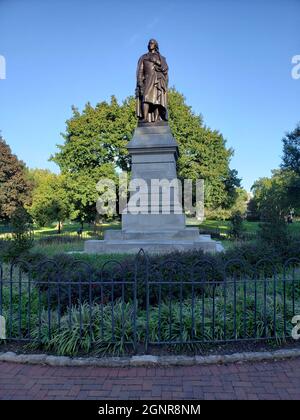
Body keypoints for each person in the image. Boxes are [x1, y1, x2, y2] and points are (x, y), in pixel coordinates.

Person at [136, 39, 168, 123]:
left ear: (155, 45)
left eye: (152, 43)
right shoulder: (143, 57)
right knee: (145, 97)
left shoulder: (161, 58)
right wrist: (139, 82)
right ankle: (145, 118)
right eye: (149, 43)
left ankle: (157, 119)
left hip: (158, 78)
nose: (150, 44)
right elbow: (140, 70)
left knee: (157, 99)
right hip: (147, 79)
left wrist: (156, 61)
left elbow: (165, 69)